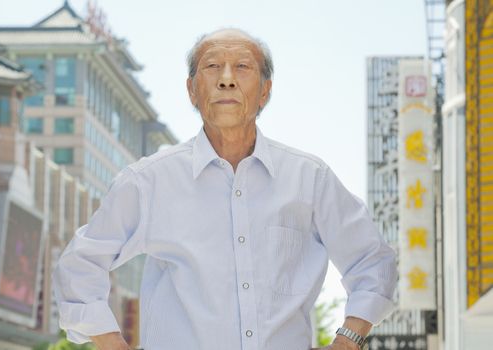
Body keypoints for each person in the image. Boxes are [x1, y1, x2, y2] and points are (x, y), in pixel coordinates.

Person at [52, 28, 397, 350]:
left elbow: (372, 260)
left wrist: (348, 338)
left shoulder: (309, 178)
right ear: (191, 89)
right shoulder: (149, 182)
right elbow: (80, 265)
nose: (227, 80)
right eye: (212, 67)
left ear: (265, 90)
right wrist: (111, 342)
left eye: (243, 67)